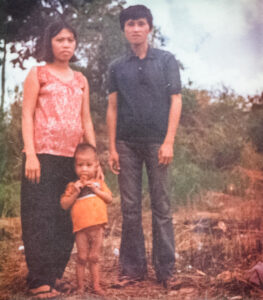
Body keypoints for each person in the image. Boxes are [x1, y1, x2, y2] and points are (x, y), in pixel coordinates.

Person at [21, 21, 99, 298]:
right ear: (49, 43)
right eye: (59, 39)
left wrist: (94, 159)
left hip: (73, 160)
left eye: (70, 40)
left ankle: (54, 275)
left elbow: (86, 119)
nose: (66, 44)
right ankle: (38, 280)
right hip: (42, 157)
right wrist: (30, 153)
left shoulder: (80, 80)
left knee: (67, 218)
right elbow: (27, 115)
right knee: (40, 217)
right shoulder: (38, 74)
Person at [106, 5, 182, 287]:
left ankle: (166, 272)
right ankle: (132, 270)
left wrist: (169, 141)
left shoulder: (165, 60)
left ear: (149, 27)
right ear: (124, 29)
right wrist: (112, 147)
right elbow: (112, 107)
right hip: (126, 143)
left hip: (157, 143)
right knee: (130, 208)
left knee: (162, 207)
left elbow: (176, 100)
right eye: (129, 24)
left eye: (140, 23)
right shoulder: (116, 66)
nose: (135, 28)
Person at [60, 143, 112, 296]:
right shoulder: (73, 185)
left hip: (97, 227)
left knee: (94, 257)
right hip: (80, 229)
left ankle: (96, 286)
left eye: (89, 165)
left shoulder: (99, 184)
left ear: (96, 166)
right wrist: (75, 192)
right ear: (75, 167)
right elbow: (64, 204)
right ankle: (80, 287)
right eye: (80, 165)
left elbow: (109, 199)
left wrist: (96, 190)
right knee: (82, 257)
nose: (84, 169)